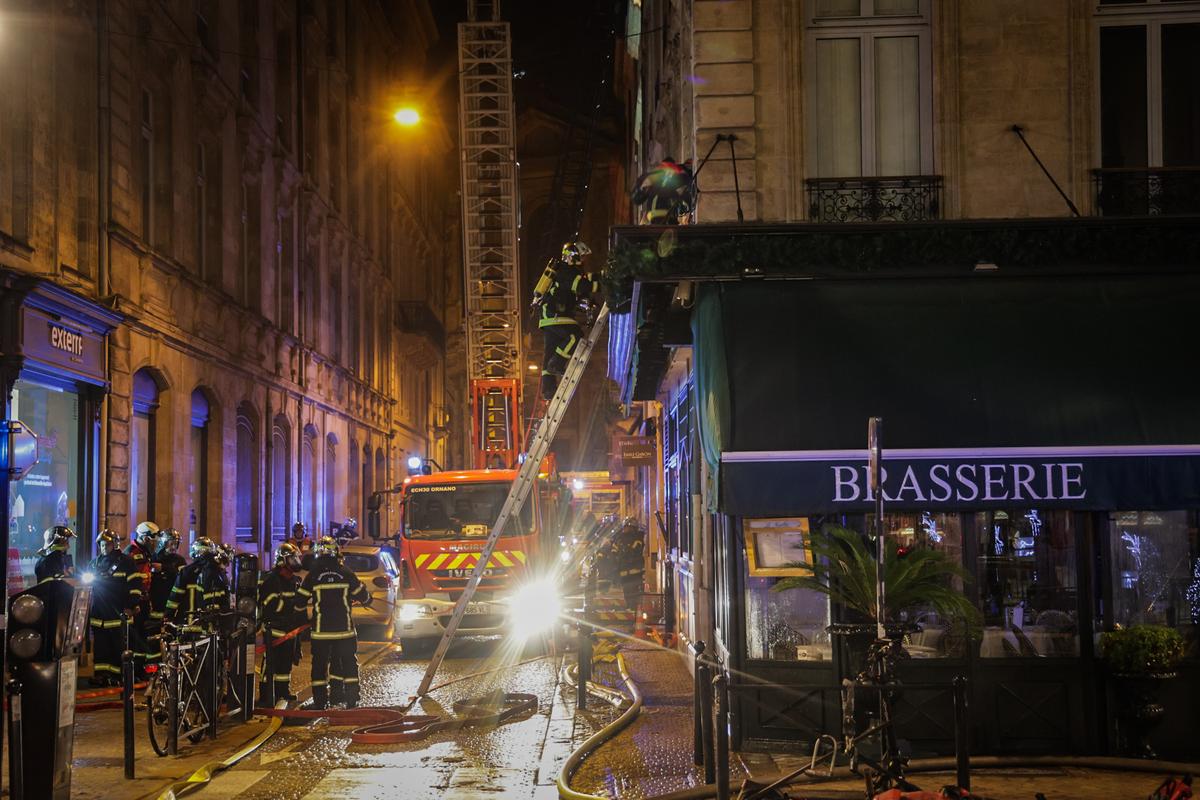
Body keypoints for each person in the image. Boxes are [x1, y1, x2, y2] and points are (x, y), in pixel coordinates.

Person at [294, 536, 371, 709]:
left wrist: (300, 620)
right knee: (348, 663)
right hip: (344, 631)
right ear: (336, 551)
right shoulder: (345, 573)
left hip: (321, 632)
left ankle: (320, 701)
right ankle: (351, 699)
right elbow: (363, 595)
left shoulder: (313, 576)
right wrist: (367, 600)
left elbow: (299, 601)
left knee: (319, 666)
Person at [538, 240, 599, 400]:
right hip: (555, 315)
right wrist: (603, 284)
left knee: (550, 351)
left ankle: (548, 389)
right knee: (574, 335)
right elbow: (583, 286)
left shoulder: (564, 271)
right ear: (573, 256)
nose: (584, 261)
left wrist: (587, 302)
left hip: (549, 316)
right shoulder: (567, 271)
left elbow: (575, 291)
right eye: (582, 257)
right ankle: (557, 364)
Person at [257, 542, 306, 706]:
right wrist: (292, 604)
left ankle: (282, 692)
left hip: (289, 630)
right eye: (293, 558)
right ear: (282, 560)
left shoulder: (294, 580)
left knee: (285, 664)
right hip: (275, 630)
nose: (296, 561)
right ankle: (266, 696)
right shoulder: (271, 581)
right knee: (271, 665)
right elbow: (271, 606)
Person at [88, 530, 136, 686]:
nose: (104, 548)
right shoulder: (94, 564)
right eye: (101, 544)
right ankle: (100, 675)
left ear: (114, 544)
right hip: (98, 613)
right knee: (100, 646)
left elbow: (134, 587)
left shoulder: (126, 562)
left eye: (107, 544)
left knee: (117, 646)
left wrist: (130, 606)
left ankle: (116, 676)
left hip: (117, 612)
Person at [165, 537, 229, 632]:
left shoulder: (186, 572)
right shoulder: (218, 572)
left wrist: (168, 616)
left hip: (187, 625)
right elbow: (225, 600)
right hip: (209, 627)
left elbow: (175, 597)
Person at [126, 521, 159, 669]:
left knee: (142, 636)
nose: (155, 544)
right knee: (136, 638)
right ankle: (136, 670)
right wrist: (134, 603)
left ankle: (140, 669)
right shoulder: (134, 554)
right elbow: (134, 582)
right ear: (146, 538)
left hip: (143, 601)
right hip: (136, 602)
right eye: (153, 540)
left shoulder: (143, 553)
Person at [148, 529, 186, 643]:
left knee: (172, 635)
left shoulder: (180, 560)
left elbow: (183, 577)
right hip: (156, 603)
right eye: (171, 543)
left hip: (173, 604)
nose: (174, 546)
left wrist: (164, 568)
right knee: (154, 636)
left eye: (176, 543)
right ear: (164, 543)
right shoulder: (154, 558)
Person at [632, 157, 696, 224]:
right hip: (670, 216)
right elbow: (690, 198)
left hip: (656, 217)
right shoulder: (681, 174)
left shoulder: (653, 175)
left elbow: (637, 199)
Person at [616, 517, 646, 611]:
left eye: (626, 527)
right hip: (625, 570)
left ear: (632, 528)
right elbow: (618, 553)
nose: (624, 529)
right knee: (627, 590)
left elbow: (635, 552)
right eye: (624, 527)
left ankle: (634, 608)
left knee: (634, 590)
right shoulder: (621, 539)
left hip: (635, 571)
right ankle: (630, 606)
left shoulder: (638, 539)